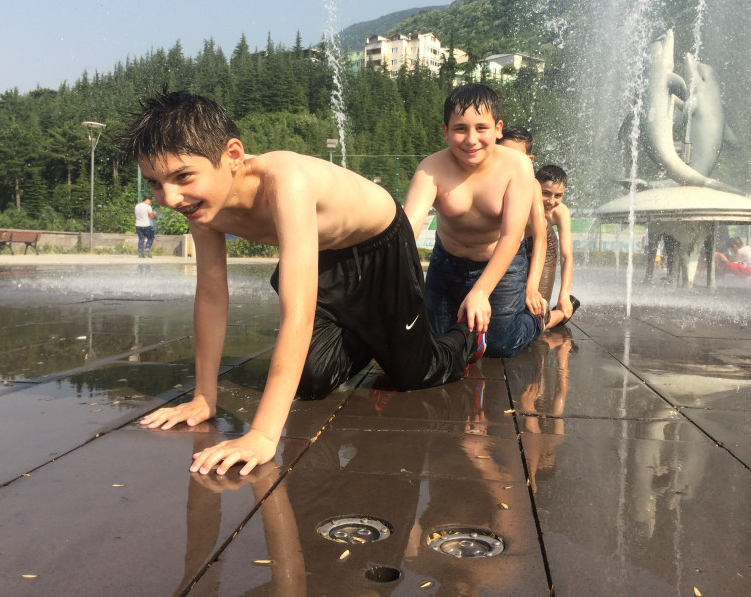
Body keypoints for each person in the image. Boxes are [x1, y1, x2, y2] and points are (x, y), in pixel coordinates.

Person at [123, 91, 483, 477]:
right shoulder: (201, 206)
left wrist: (263, 434)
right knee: (311, 378)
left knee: (415, 374)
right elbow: (211, 295)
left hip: (380, 246)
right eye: (155, 183)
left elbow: (298, 312)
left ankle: (468, 337)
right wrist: (203, 397)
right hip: (324, 251)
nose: (170, 197)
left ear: (232, 155)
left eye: (183, 177)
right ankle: (370, 336)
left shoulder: (284, 180)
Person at [404, 83, 540, 358]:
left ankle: (537, 320)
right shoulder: (431, 168)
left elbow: (511, 236)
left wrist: (480, 292)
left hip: (501, 264)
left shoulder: (517, 165)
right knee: (437, 340)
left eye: (481, 128)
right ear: (445, 131)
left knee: (501, 345)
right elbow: (406, 234)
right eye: (460, 129)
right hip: (447, 262)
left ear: (498, 129)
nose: (471, 139)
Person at [498, 126, 548, 319]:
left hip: (538, 242)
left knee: (535, 308)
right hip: (510, 246)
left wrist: (532, 288)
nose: (510, 162)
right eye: (504, 154)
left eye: (517, 157)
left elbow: (540, 236)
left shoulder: (532, 185)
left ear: (529, 160)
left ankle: (557, 315)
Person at [533, 164, 579, 328]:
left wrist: (564, 295)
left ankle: (560, 314)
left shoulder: (560, 212)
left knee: (537, 317)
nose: (551, 201)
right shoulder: (524, 200)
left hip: (546, 254)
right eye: (545, 193)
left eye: (558, 195)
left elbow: (566, 256)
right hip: (523, 250)